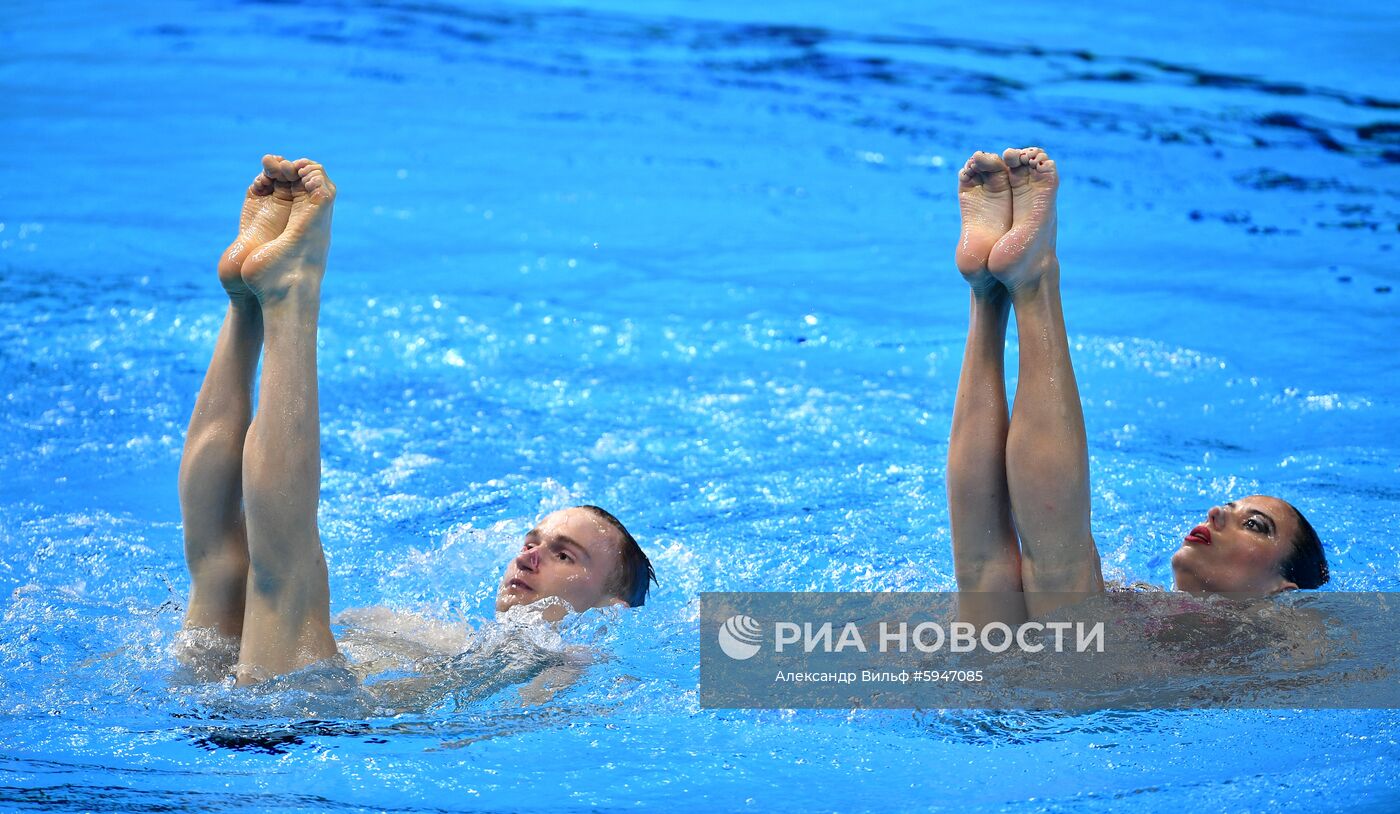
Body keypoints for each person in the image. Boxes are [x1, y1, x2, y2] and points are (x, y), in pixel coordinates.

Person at [177, 155, 655, 685]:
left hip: (282, 717)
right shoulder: (443, 640)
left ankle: (265, 301)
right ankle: (251, 302)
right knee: (226, 571)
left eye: (564, 554)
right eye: (531, 542)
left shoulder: (567, 665)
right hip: (266, 715)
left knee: (282, 576)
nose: (529, 558)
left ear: (610, 608)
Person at [946, 146, 1329, 628]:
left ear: (1282, 588)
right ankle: (992, 289)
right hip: (1024, 674)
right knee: (1001, 575)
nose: (1215, 514)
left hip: (1053, 680)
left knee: (1020, 574)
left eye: (1255, 526)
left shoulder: (1273, 645)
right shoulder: (1145, 605)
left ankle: (1013, 288)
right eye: (1231, 508)